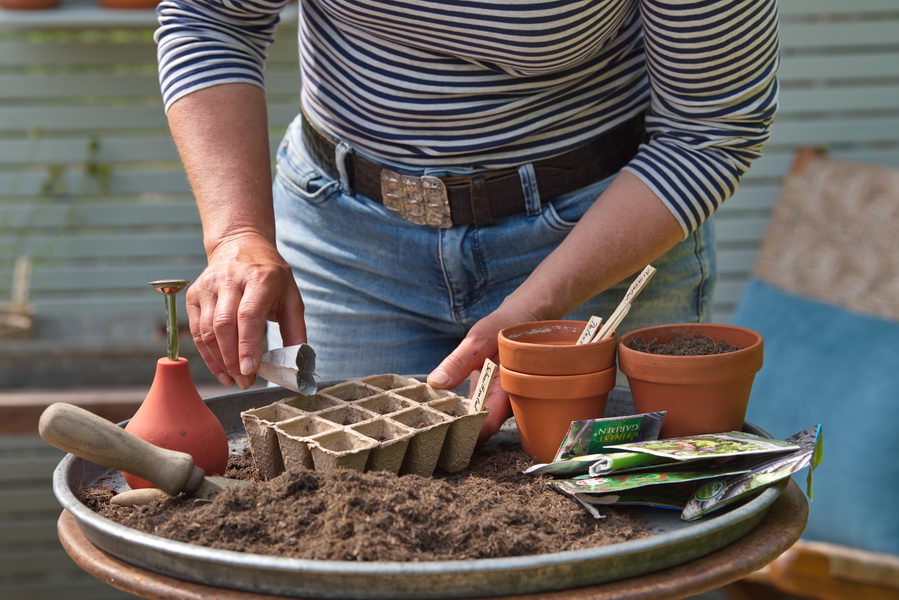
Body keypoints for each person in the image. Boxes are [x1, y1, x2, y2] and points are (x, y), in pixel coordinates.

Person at [155, 0, 778, 441]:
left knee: (611, 527)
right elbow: (210, 16)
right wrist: (237, 234)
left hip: (596, 241)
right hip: (348, 244)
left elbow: (710, 127)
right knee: (346, 525)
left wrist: (538, 310)